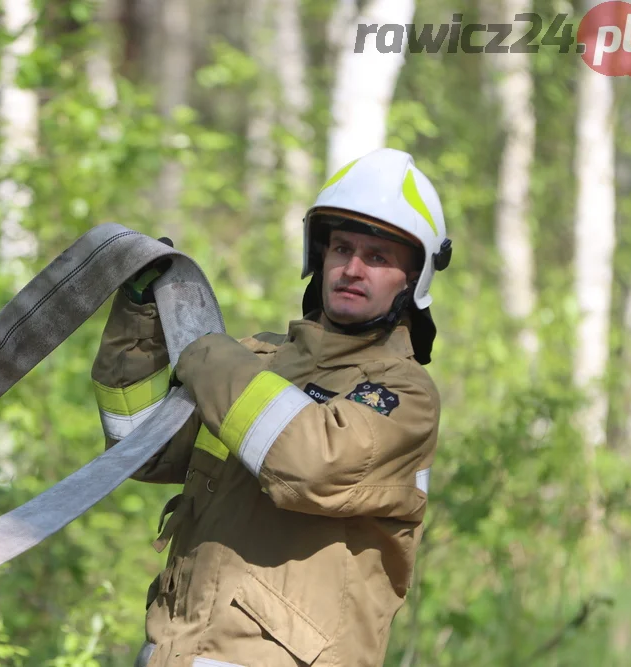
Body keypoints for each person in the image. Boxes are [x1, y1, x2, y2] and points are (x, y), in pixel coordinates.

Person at [91, 147, 452, 667]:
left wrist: (202, 349)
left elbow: (313, 466)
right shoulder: (258, 358)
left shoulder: (404, 395)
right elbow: (142, 450)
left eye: (377, 257)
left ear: (412, 278)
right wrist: (142, 320)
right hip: (176, 650)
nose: (352, 268)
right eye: (341, 248)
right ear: (318, 256)